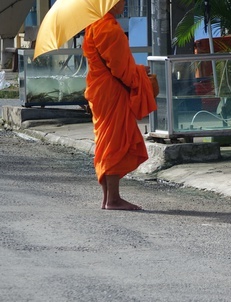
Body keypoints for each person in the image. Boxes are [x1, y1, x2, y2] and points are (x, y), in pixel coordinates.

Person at [82, 0, 157, 210]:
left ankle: (108, 198)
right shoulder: (108, 28)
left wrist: (136, 71)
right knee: (114, 141)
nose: (123, 3)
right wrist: (140, 76)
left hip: (101, 90)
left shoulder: (94, 25)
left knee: (106, 140)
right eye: (119, 0)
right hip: (112, 91)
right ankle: (113, 199)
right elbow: (121, 70)